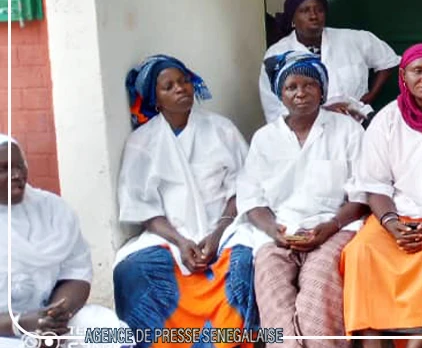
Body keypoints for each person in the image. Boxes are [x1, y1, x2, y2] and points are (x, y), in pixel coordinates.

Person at [112, 55, 257, 347]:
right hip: (168, 236)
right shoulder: (141, 142)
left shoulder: (221, 129)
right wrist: (181, 242)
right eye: (169, 86)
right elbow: (144, 208)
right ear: (156, 99)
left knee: (244, 265)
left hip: (225, 230)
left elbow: (243, 189)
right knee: (132, 271)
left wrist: (216, 235)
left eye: (184, 81)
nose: (180, 89)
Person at [340, 44, 422, 348]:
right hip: (395, 217)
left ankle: (420, 339)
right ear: (403, 76)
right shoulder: (386, 121)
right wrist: (392, 224)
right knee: (361, 253)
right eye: (417, 71)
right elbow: (375, 185)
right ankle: (373, 339)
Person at [240, 51, 368, 348]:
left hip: (334, 228)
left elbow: (360, 195)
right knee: (270, 279)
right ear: (280, 95)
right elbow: (251, 199)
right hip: (279, 231)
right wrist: (274, 231)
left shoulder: (347, 130)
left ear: (322, 90)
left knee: (318, 283)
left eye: (309, 85)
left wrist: (330, 226)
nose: (300, 93)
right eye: (291, 87)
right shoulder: (264, 138)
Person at [0, 135, 129, 348]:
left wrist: (55, 315)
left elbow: (76, 274)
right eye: (3, 169)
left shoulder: (53, 209)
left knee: (107, 331)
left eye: (20, 166)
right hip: (6, 330)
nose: (17, 175)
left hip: (47, 319)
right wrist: (22, 323)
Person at [259, 0, 401, 123]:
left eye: (319, 10)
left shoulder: (353, 39)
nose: (314, 16)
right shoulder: (277, 54)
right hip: (307, 131)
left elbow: (388, 61)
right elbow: (273, 107)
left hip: (356, 122)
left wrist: (369, 97)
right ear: (292, 19)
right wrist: (322, 112)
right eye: (305, 11)